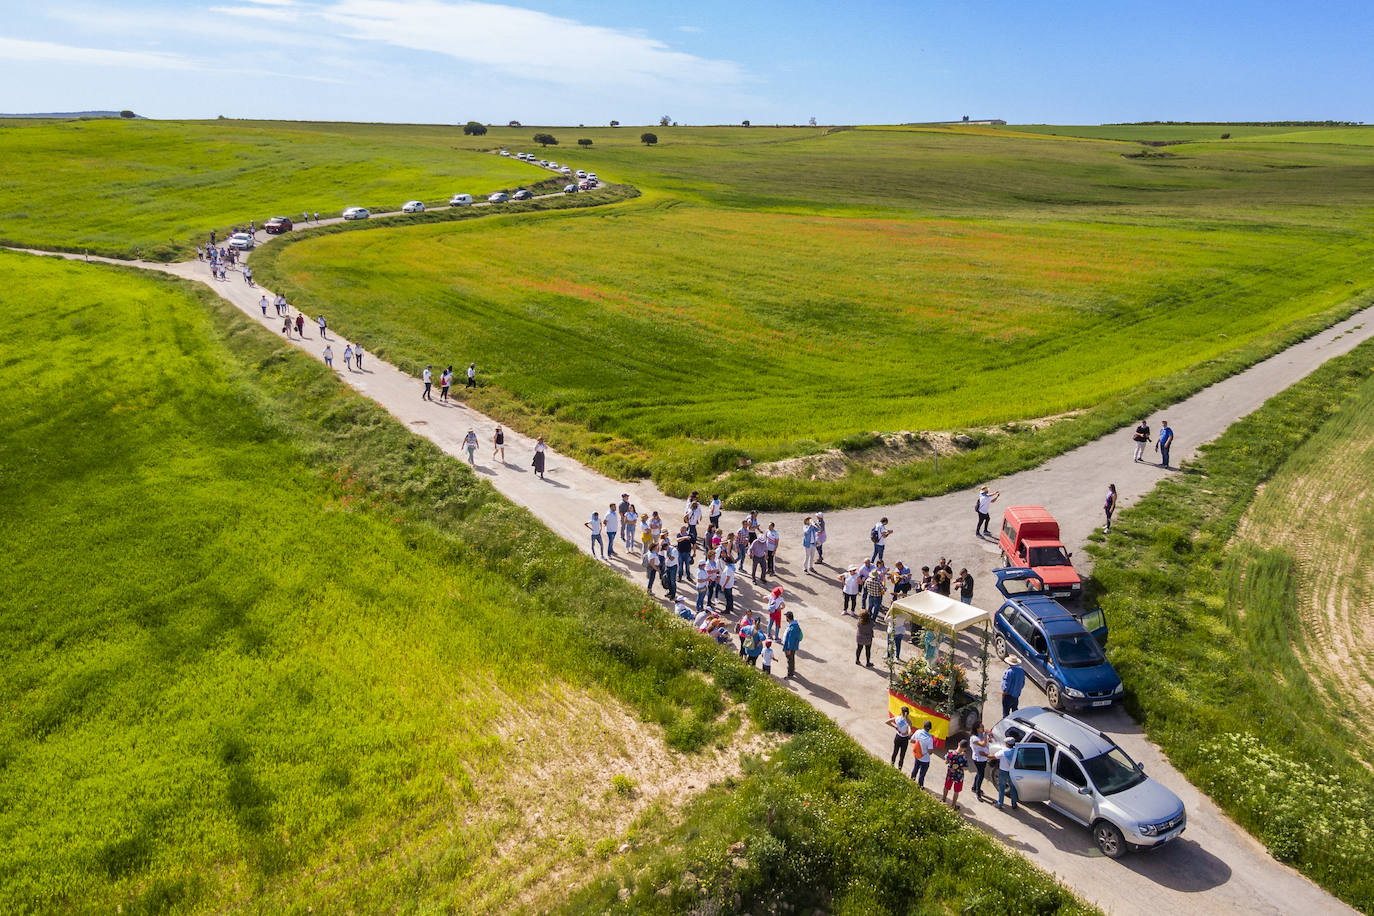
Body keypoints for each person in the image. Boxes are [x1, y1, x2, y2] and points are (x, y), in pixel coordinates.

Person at [943, 740, 969, 808]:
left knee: (946, 787)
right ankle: (953, 805)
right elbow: (966, 768)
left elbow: (946, 762)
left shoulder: (950, 753)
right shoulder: (964, 757)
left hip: (950, 773)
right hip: (959, 775)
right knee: (956, 791)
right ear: (965, 748)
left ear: (958, 744)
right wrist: (960, 766)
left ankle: (943, 800)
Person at [970, 724, 992, 801]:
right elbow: (983, 744)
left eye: (983, 727)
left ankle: (974, 787)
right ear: (977, 729)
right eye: (981, 727)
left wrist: (988, 737)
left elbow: (988, 740)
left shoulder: (982, 734)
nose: (983, 728)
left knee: (979, 773)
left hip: (983, 758)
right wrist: (985, 735)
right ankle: (978, 792)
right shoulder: (974, 738)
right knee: (981, 775)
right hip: (978, 759)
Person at [996, 738, 1019, 810]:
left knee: (1002, 787)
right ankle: (1014, 804)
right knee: (1013, 788)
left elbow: (995, 756)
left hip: (1003, 772)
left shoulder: (1003, 751)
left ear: (1007, 744)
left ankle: (1000, 803)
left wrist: (985, 755)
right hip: (1012, 773)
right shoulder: (1016, 751)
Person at [910, 721, 935, 787]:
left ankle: (911, 782)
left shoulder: (918, 732)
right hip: (925, 759)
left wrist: (919, 744)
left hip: (917, 756)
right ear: (930, 729)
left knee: (915, 769)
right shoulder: (930, 738)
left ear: (923, 726)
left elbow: (911, 741)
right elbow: (930, 752)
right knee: (922, 775)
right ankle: (920, 787)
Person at [782, 611, 802, 678]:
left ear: (788, 618)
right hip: (791, 646)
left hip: (790, 647)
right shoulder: (793, 624)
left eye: (786, 617)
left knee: (790, 659)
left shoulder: (793, 628)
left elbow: (791, 640)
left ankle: (790, 673)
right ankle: (792, 669)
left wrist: (789, 649)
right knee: (791, 658)